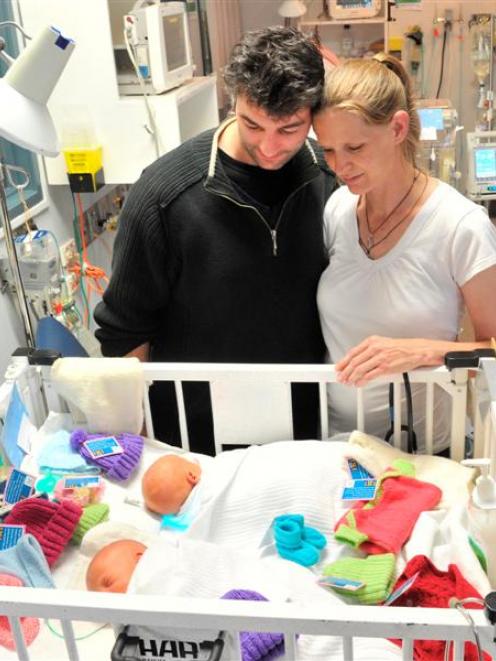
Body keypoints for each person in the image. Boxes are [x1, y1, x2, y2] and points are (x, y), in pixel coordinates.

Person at [94, 26, 338, 455]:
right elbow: (123, 332)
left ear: (314, 113)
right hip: (192, 436)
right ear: (233, 100)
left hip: (305, 429)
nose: (268, 147)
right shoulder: (164, 196)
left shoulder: (328, 181)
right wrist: (144, 445)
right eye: (253, 124)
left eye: (289, 129)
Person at [312, 53, 496, 452]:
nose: (340, 165)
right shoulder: (337, 210)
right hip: (341, 446)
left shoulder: (459, 225)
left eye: (354, 147)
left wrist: (420, 351)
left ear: (397, 128)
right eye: (327, 150)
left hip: (427, 450)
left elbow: (494, 347)